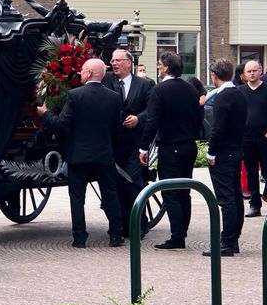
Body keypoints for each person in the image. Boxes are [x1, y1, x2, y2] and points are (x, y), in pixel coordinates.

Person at [37, 58, 124, 248]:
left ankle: (79, 238)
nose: (80, 73)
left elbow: (62, 123)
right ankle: (116, 235)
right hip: (103, 154)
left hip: (79, 155)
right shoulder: (113, 97)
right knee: (110, 194)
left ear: (89, 73)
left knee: (77, 198)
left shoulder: (75, 95)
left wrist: (46, 114)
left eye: (83, 70)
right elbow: (118, 130)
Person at [139, 51, 202, 250]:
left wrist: (143, 147)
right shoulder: (191, 89)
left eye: (159, 64)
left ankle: (177, 236)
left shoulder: (159, 91)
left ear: (166, 68)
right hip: (189, 146)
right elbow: (198, 119)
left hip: (170, 147)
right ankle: (181, 232)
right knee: (185, 191)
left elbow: (152, 121)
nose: (158, 68)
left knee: (170, 192)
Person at [104, 49, 155, 230]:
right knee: (115, 185)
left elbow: (152, 109)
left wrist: (138, 119)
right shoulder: (106, 81)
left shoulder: (144, 84)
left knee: (133, 183)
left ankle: (139, 225)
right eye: (112, 60)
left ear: (128, 62)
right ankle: (121, 225)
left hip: (135, 143)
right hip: (113, 143)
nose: (114, 63)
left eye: (118, 60)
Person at [204, 59, 247, 257]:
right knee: (235, 196)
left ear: (214, 75)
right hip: (236, 149)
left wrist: (211, 152)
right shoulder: (239, 93)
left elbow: (218, 128)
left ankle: (228, 241)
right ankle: (233, 238)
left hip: (223, 152)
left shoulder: (222, 97)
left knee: (226, 198)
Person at [240, 60, 267, 218]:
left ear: (260, 71)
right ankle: (255, 205)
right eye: (249, 71)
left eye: (254, 70)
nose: (252, 73)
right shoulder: (240, 91)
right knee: (251, 172)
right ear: (244, 74)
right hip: (246, 138)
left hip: (264, 137)